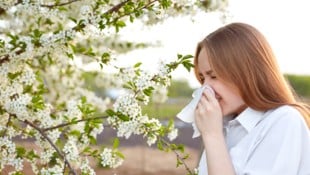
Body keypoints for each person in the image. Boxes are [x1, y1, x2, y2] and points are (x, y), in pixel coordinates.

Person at [193, 22, 310, 175]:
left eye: (213, 76)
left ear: (247, 72)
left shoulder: (284, 121)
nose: (205, 88)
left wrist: (212, 136)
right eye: (202, 79)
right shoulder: (224, 125)